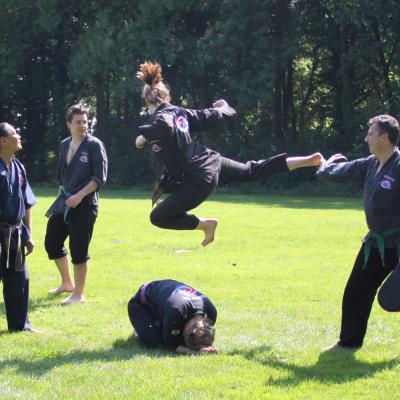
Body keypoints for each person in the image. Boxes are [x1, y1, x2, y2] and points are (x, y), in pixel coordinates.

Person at [135, 61, 324, 246]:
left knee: (158, 217)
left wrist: (143, 135)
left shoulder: (161, 117)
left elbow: (164, 124)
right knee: (252, 170)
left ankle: (206, 224)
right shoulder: (182, 113)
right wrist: (224, 107)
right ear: (167, 97)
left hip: (199, 178)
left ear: (147, 102)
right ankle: (308, 160)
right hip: (211, 161)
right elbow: (214, 115)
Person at [316, 114, 400, 351]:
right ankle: (349, 343)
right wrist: (325, 166)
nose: (366, 139)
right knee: (356, 291)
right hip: (375, 244)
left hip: (398, 243)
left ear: (385, 137)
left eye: (370, 133)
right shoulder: (370, 164)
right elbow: (338, 172)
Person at [45, 104, 108, 304]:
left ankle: (78, 294)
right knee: (52, 242)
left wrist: (80, 195)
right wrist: (60, 199)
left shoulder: (94, 145)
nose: (83, 126)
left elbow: (99, 178)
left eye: (85, 122)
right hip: (65, 200)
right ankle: (67, 284)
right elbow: (62, 177)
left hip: (86, 204)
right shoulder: (64, 144)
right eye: (78, 122)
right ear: (69, 124)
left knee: (79, 248)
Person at [0, 123, 36, 331]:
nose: (19, 135)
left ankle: (20, 326)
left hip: (15, 234)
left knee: (19, 281)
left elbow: (27, 203)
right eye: (14, 133)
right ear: (3, 141)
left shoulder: (18, 167)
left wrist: (28, 233)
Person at [128, 279, 217, 354]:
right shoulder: (176, 312)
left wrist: (206, 345)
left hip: (166, 290)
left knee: (176, 334)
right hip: (141, 303)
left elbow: (203, 335)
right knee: (155, 342)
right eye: (185, 334)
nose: (184, 333)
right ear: (188, 330)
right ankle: (139, 331)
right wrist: (194, 352)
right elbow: (170, 345)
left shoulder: (211, 312)